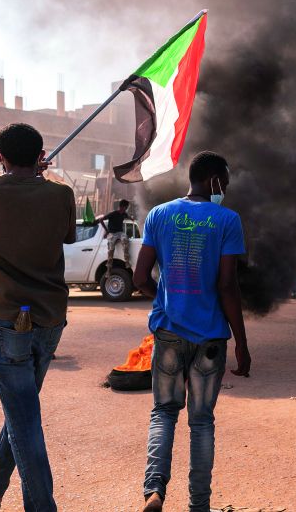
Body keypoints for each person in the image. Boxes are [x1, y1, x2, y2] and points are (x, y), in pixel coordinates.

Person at [0, 123, 77, 512]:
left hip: (4, 321)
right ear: (42, 156)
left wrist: (23, 174)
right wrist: (40, 177)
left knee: (24, 418)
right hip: (48, 320)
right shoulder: (61, 193)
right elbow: (69, 236)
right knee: (21, 410)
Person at [132, 151, 252, 512]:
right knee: (201, 422)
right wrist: (242, 343)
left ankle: (154, 491)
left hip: (168, 332)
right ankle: (199, 506)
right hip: (210, 339)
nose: (225, 190)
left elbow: (140, 278)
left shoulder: (159, 215)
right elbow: (227, 285)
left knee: (163, 412)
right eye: (224, 183)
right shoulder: (227, 220)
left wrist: (165, 301)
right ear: (213, 180)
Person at [92, 199, 133, 270]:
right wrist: (107, 231)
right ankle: (109, 268)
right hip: (112, 233)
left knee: (125, 239)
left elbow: (128, 216)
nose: (127, 208)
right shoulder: (113, 213)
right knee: (111, 249)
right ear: (123, 207)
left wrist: (131, 218)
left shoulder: (124, 214)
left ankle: (127, 261)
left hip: (120, 233)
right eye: (127, 207)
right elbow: (101, 220)